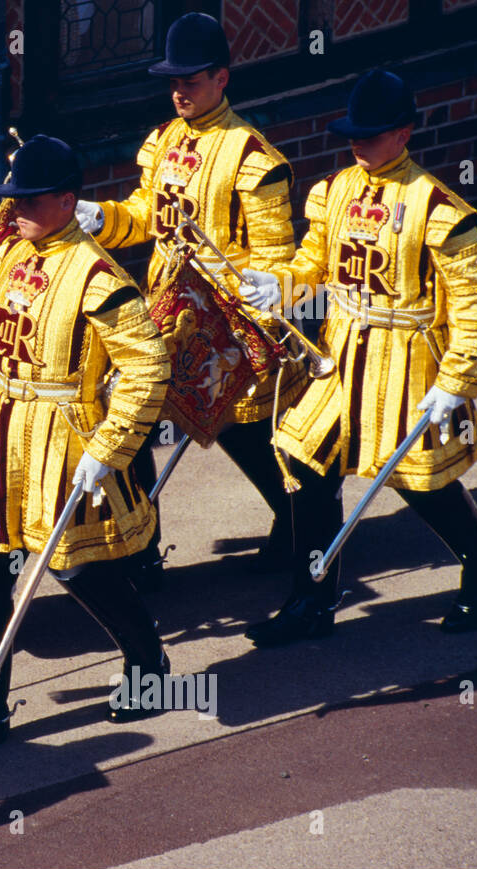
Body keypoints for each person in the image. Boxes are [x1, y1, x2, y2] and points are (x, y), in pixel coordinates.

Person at [0, 136, 172, 757]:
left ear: (66, 200)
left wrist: (108, 449)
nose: (14, 211)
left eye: (28, 201)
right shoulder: (12, 257)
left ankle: (148, 664)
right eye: (12, 200)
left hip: (67, 434)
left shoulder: (100, 279)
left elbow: (148, 368)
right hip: (5, 430)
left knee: (81, 566)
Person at [239, 69, 477, 644]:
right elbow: (314, 267)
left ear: (405, 133)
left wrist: (457, 381)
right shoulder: (334, 191)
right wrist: (279, 286)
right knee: (306, 461)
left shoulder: (439, 209)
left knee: (421, 481)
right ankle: (312, 596)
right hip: (343, 353)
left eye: (372, 133)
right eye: (353, 134)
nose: (358, 143)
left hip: (408, 364)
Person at [79, 12, 303, 582]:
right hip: (166, 313)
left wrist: (261, 292)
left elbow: (276, 257)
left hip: (227, 325)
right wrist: (101, 217)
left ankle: (300, 518)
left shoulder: (254, 158)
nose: (179, 91)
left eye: (192, 81)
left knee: (246, 432)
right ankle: (142, 544)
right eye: (174, 82)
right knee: (128, 417)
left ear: (222, 79)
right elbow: (143, 219)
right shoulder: (161, 143)